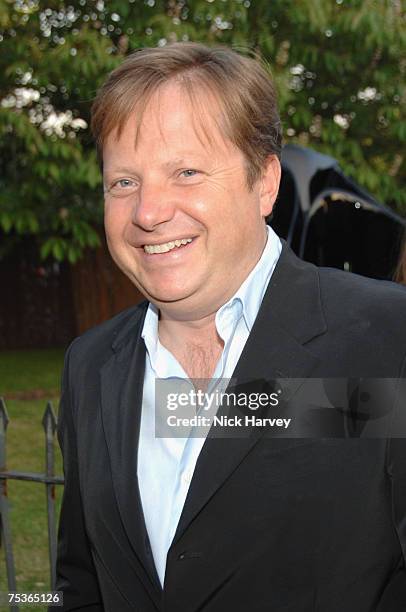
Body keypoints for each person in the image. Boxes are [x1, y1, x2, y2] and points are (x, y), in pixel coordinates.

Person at [51, 42, 406, 612]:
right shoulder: (91, 366)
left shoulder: (385, 341)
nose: (148, 211)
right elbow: (79, 584)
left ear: (264, 183)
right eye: (123, 182)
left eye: (186, 171)